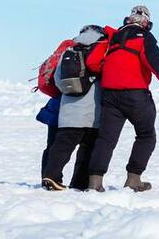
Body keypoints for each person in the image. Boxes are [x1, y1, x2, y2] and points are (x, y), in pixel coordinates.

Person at [87, 5, 159, 192]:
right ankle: (134, 179)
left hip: (110, 94)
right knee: (146, 135)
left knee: (106, 138)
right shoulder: (144, 37)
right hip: (135, 95)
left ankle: (95, 182)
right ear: (146, 22)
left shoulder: (113, 38)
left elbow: (94, 62)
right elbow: (155, 61)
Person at [41, 25, 108, 191]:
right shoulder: (101, 52)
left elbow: (58, 79)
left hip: (68, 112)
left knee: (62, 147)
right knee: (87, 149)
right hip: (92, 113)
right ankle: (80, 182)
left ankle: (51, 176)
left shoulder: (68, 51)